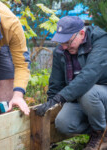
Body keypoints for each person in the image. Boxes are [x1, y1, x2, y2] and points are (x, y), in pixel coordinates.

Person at [35, 16, 107, 150]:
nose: (64, 46)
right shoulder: (61, 50)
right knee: (63, 123)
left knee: (87, 93)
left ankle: (100, 134)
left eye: (68, 42)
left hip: (101, 94)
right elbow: (56, 83)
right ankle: (102, 127)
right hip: (83, 99)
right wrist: (51, 103)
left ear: (82, 33)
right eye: (62, 42)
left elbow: (89, 76)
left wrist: (61, 97)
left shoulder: (101, 41)